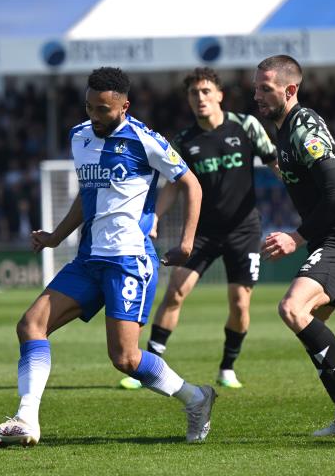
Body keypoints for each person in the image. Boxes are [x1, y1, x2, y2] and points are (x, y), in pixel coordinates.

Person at [0, 67, 214, 447]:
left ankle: (196, 398)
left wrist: (187, 242)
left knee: (125, 359)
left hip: (128, 261)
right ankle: (26, 419)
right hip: (88, 259)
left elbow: (191, 184)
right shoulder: (79, 137)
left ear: (124, 107)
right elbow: (87, 197)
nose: (94, 116)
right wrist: (56, 236)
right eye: (89, 107)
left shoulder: (144, 139)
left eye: (103, 109)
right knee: (30, 326)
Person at [120, 67, 279, 392]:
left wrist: (306, 190)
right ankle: (147, 366)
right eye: (194, 93)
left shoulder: (246, 126)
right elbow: (174, 186)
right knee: (175, 292)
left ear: (219, 94)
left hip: (243, 230)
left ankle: (227, 367)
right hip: (202, 231)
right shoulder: (183, 140)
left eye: (206, 91)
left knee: (240, 304)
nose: (200, 98)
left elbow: (275, 163)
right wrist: (155, 218)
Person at [254, 55, 335, 436]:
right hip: (332, 233)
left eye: (265, 89)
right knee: (311, 325)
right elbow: (328, 181)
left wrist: (295, 236)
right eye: (256, 88)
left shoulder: (304, 125)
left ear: (290, 90)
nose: (257, 95)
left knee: (292, 308)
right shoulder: (283, 129)